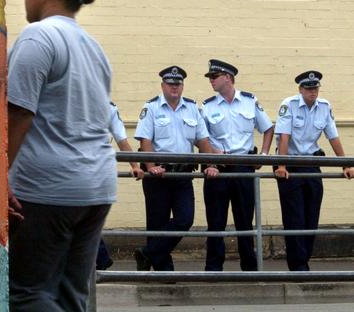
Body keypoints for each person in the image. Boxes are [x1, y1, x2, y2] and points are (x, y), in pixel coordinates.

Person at [7, 0, 116, 311]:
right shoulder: (93, 47)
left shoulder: (39, 36)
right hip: (97, 187)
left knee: (26, 294)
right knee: (71, 295)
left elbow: (19, 112)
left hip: (47, 188)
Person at [133, 66, 219, 272]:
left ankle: (147, 254)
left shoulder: (191, 108)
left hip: (182, 175)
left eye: (178, 84)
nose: (174, 87)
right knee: (157, 223)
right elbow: (145, 140)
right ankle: (163, 271)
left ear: (182, 86)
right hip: (159, 175)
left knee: (185, 219)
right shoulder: (151, 108)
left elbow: (202, 140)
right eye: (170, 84)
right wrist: (151, 167)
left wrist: (212, 164)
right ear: (163, 85)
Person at [274, 70, 354, 271]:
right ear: (300, 89)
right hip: (290, 162)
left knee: (311, 216)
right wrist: (282, 165)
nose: (313, 92)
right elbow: (284, 137)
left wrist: (345, 164)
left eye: (315, 88)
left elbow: (333, 137)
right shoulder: (289, 105)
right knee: (295, 217)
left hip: (311, 162)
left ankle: (304, 260)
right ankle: (298, 266)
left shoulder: (324, 107)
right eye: (308, 88)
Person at [201, 59, 274, 271]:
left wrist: (263, 155)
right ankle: (213, 269)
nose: (211, 81)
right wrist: (210, 160)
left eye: (214, 77)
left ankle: (250, 268)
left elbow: (268, 128)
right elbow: (201, 138)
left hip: (243, 166)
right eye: (210, 78)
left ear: (228, 78)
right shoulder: (207, 106)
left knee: (245, 221)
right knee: (216, 222)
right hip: (217, 168)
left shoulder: (250, 101)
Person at [97, 102, 143, 270]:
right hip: (74, 170)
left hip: (95, 171)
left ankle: (100, 260)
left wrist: (135, 166)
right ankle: (100, 259)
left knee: (87, 217)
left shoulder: (108, 108)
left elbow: (121, 140)